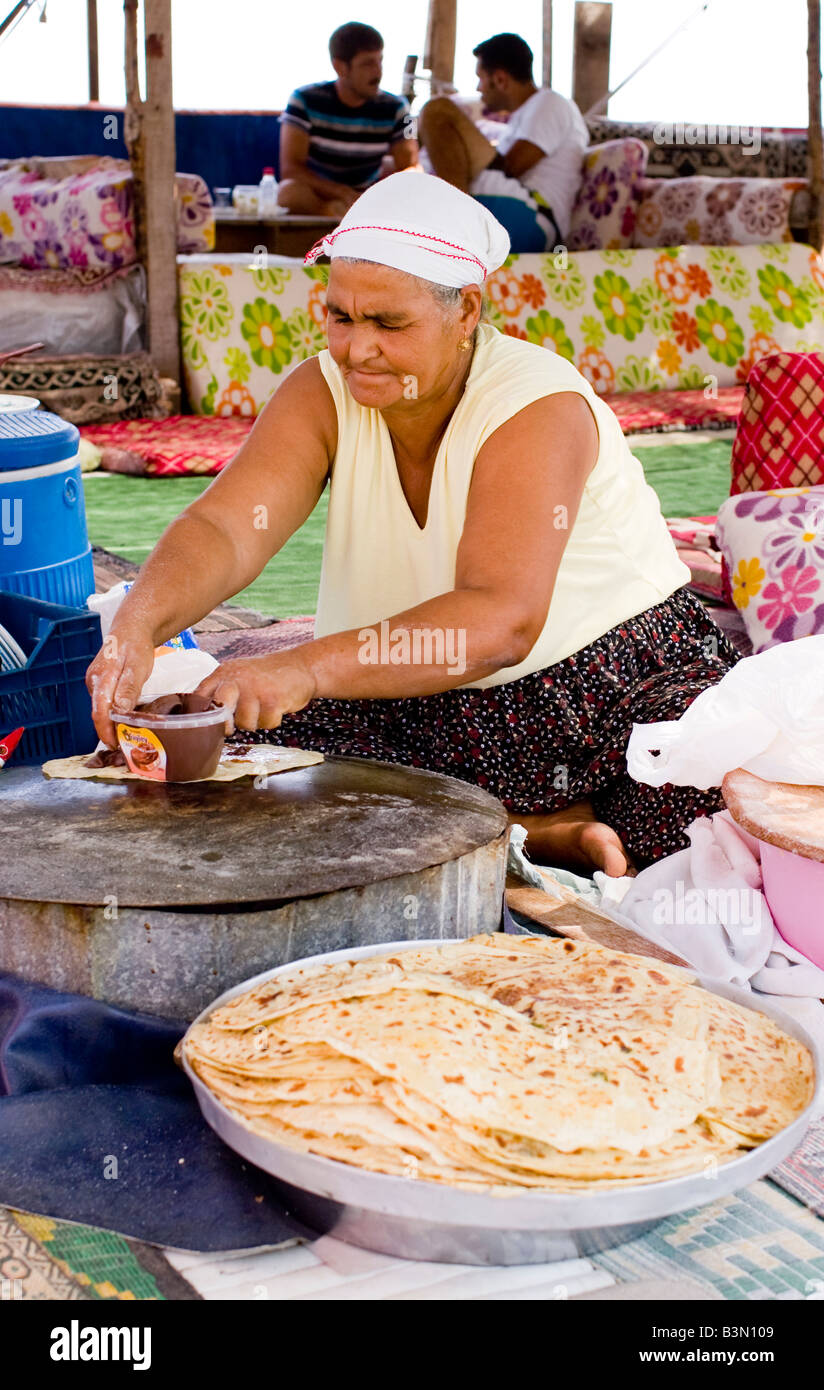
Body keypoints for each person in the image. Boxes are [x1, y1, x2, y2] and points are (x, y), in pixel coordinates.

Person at [86, 173, 739, 879]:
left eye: (388, 324)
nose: (356, 349)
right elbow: (226, 526)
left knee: (708, 807)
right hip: (420, 685)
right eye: (340, 317)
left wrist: (304, 666)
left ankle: (524, 826)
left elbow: (502, 622)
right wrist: (137, 627)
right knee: (222, 760)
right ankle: (536, 832)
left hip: (602, 685)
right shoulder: (324, 391)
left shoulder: (535, 404)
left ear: (466, 313)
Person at [418, 31, 588, 250]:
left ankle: (455, 215)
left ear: (499, 79)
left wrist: (464, 147)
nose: (478, 89)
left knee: (437, 110)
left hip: (532, 214)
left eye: (480, 78)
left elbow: (511, 168)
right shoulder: (523, 116)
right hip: (513, 209)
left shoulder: (550, 102)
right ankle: (454, 214)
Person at [278, 21, 417, 218]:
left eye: (380, 61)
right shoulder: (303, 100)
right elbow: (291, 169)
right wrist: (341, 193)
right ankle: (334, 216)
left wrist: (377, 196)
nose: (378, 72)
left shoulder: (399, 107)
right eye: (368, 64)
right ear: (340, 67)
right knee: (288, 192)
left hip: (371, 199)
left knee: (416, 187)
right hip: (321, 196)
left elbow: (411, 165)